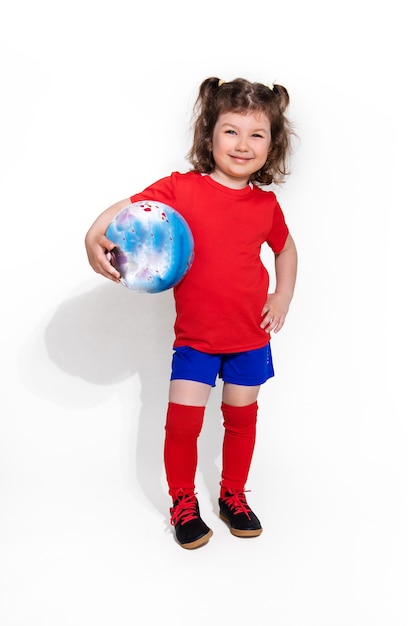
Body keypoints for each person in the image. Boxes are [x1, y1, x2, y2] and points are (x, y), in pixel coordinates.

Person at [85, 77, 298, 550]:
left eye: (256, 134)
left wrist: (281, 297)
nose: (242, 144)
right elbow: (126, 209)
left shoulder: (266, 205)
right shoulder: (182, 190)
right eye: (230, 131)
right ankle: (183, 500)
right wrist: (92, 237)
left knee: (241, 420)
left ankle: (233, 496)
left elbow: (286, 251)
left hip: (250, 336)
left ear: (272, 144)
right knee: (183, 425)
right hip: (196, 339)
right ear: (209, 135)